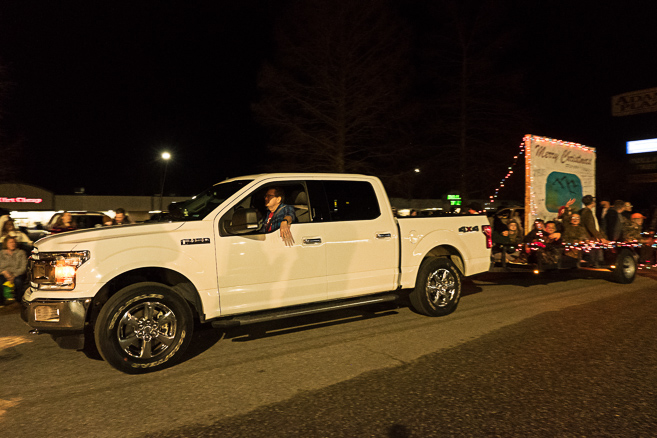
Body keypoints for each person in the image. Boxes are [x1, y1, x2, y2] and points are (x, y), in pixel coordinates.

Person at [0, 236, 28, 305]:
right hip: (4, 273)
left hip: (17, 274)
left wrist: (14, 275)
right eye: (10, 242)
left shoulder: (21, 253)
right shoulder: (1, 254)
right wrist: (3, 272)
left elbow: (23, 267)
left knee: (18, 281)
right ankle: (1, 302)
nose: (13, 244)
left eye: (14, 242)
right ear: (6, 244)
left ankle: (18, 301)